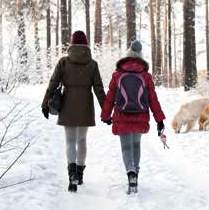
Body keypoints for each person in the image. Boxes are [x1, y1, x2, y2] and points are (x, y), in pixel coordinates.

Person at [41, 30, 106, 192]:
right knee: (81, 140)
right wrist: (106, 110)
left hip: (68, 104)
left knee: (70, 141)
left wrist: (45, 104)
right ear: (86, 45)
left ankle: (72, 176)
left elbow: (53, 83)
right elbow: (99, 88)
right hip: (85, 105)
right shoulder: (92, 64)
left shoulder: (63, 62)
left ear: (71, 44)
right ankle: (80, 173)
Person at [101, 41, 166, 194]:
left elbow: (110, 97)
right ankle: (135, 174)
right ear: (140, 56)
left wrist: (105, 115)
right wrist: (159, 119)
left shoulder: (118, 74)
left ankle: (130, 173)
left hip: (121, 115)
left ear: (128, 53)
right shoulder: (145, 75)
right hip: (140, 115)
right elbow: (152, 99)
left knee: (126, 147)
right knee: (136, 145)